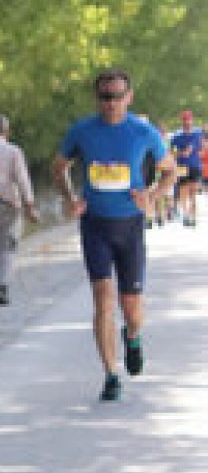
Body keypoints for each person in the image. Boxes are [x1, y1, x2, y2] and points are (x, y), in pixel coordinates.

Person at [51, 69, 175, 402]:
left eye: (118, 96)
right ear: (97, 98)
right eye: (106, 97)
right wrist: (70, 198)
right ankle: (110, 374)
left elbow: (169, 172)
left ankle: (132, 337)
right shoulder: (82, 131)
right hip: (95, 225)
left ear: (129, 97)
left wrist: (151, 195)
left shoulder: (143, 132)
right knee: (103, 300)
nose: (111, 103)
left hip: (129, 226)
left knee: (131, 309)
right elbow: (59, 167)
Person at [0, 112, 40, 304]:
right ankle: (1, 285)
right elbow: (22, 180)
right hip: (9, 207)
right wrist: (30, 206)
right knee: (7, 247)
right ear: (6, 131)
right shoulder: (14, 151)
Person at [171, 108, 204, 227]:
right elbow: (172, 152)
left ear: (192, 120)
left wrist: (197, 152)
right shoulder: (176, 136)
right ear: (181, 121)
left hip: (195, 165)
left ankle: (193, 216)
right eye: (184, 119)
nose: (187, 121)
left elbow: (201, 147)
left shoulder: (197, 133)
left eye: (189, 119)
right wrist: (181, 153)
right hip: (181, 166)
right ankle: (186, 215)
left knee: (193, 192)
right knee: (183, 191)